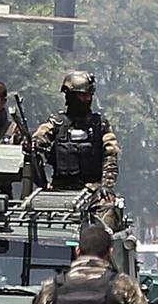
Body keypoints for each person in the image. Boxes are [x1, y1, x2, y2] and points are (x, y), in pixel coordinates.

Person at [33, 72, 121, 226]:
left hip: (93, 191)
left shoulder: (99, 124)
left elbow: (110, 154)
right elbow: (38, 142)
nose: (86, 99)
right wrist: (33, 145)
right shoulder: (56, 123)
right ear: (70, 96)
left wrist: (106, 186)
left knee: (107, 218)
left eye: (88, 95)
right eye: (82, 96)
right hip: (59, 190)